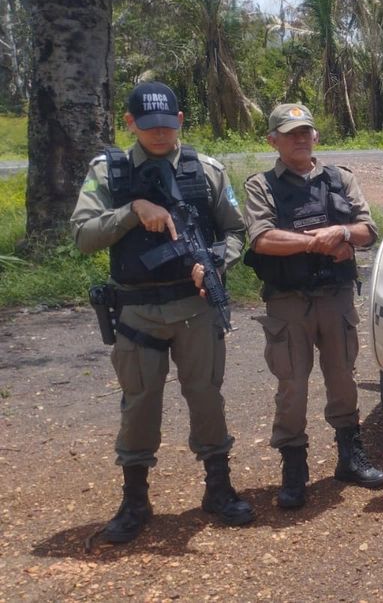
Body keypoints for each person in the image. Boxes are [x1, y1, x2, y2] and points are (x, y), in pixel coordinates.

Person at [72, 81, 253, 543]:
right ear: (130, 123)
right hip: (137, 311)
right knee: (139, 404)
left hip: (195, 307)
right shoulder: (108, 172)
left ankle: (218, 488)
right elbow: (83, 236)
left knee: (206, 397)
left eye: (168, 125)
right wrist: (132, 211)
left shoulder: (205, 170)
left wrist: (215, 262)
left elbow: (236, 231)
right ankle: (135, 501)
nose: (159, 133)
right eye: (149, 125)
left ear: (180, 122)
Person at [241, 103, 383, 509]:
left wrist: (342, 232)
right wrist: (318, 242)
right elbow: (262, 239)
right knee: (292, 384)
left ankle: (350, 457)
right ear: (273, 141)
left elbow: (368, 229)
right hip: (288, 301)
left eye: (305, 131)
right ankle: (294, 468)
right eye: (290, 133)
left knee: (343, 378)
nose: (300, 138)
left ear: (316, 136)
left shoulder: (341, 179)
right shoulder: (261, 186)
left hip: (335, 297)